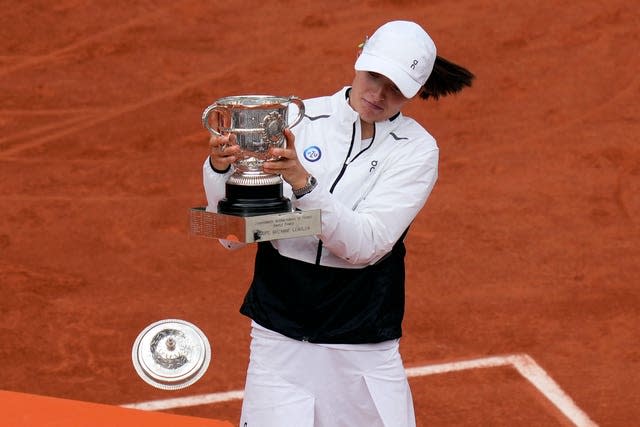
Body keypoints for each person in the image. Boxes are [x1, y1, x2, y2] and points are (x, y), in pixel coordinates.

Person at [203, 20, 474, 427]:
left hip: (361, 346)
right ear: (359, 59)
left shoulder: (417, 151)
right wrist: (221, 170)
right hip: (279, 338)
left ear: (415, 91)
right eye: (374, 76)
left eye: (396, 88)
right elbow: (230, 234)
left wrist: (303, 185)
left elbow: (364, 246)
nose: (378, 94)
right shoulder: (296, 118)